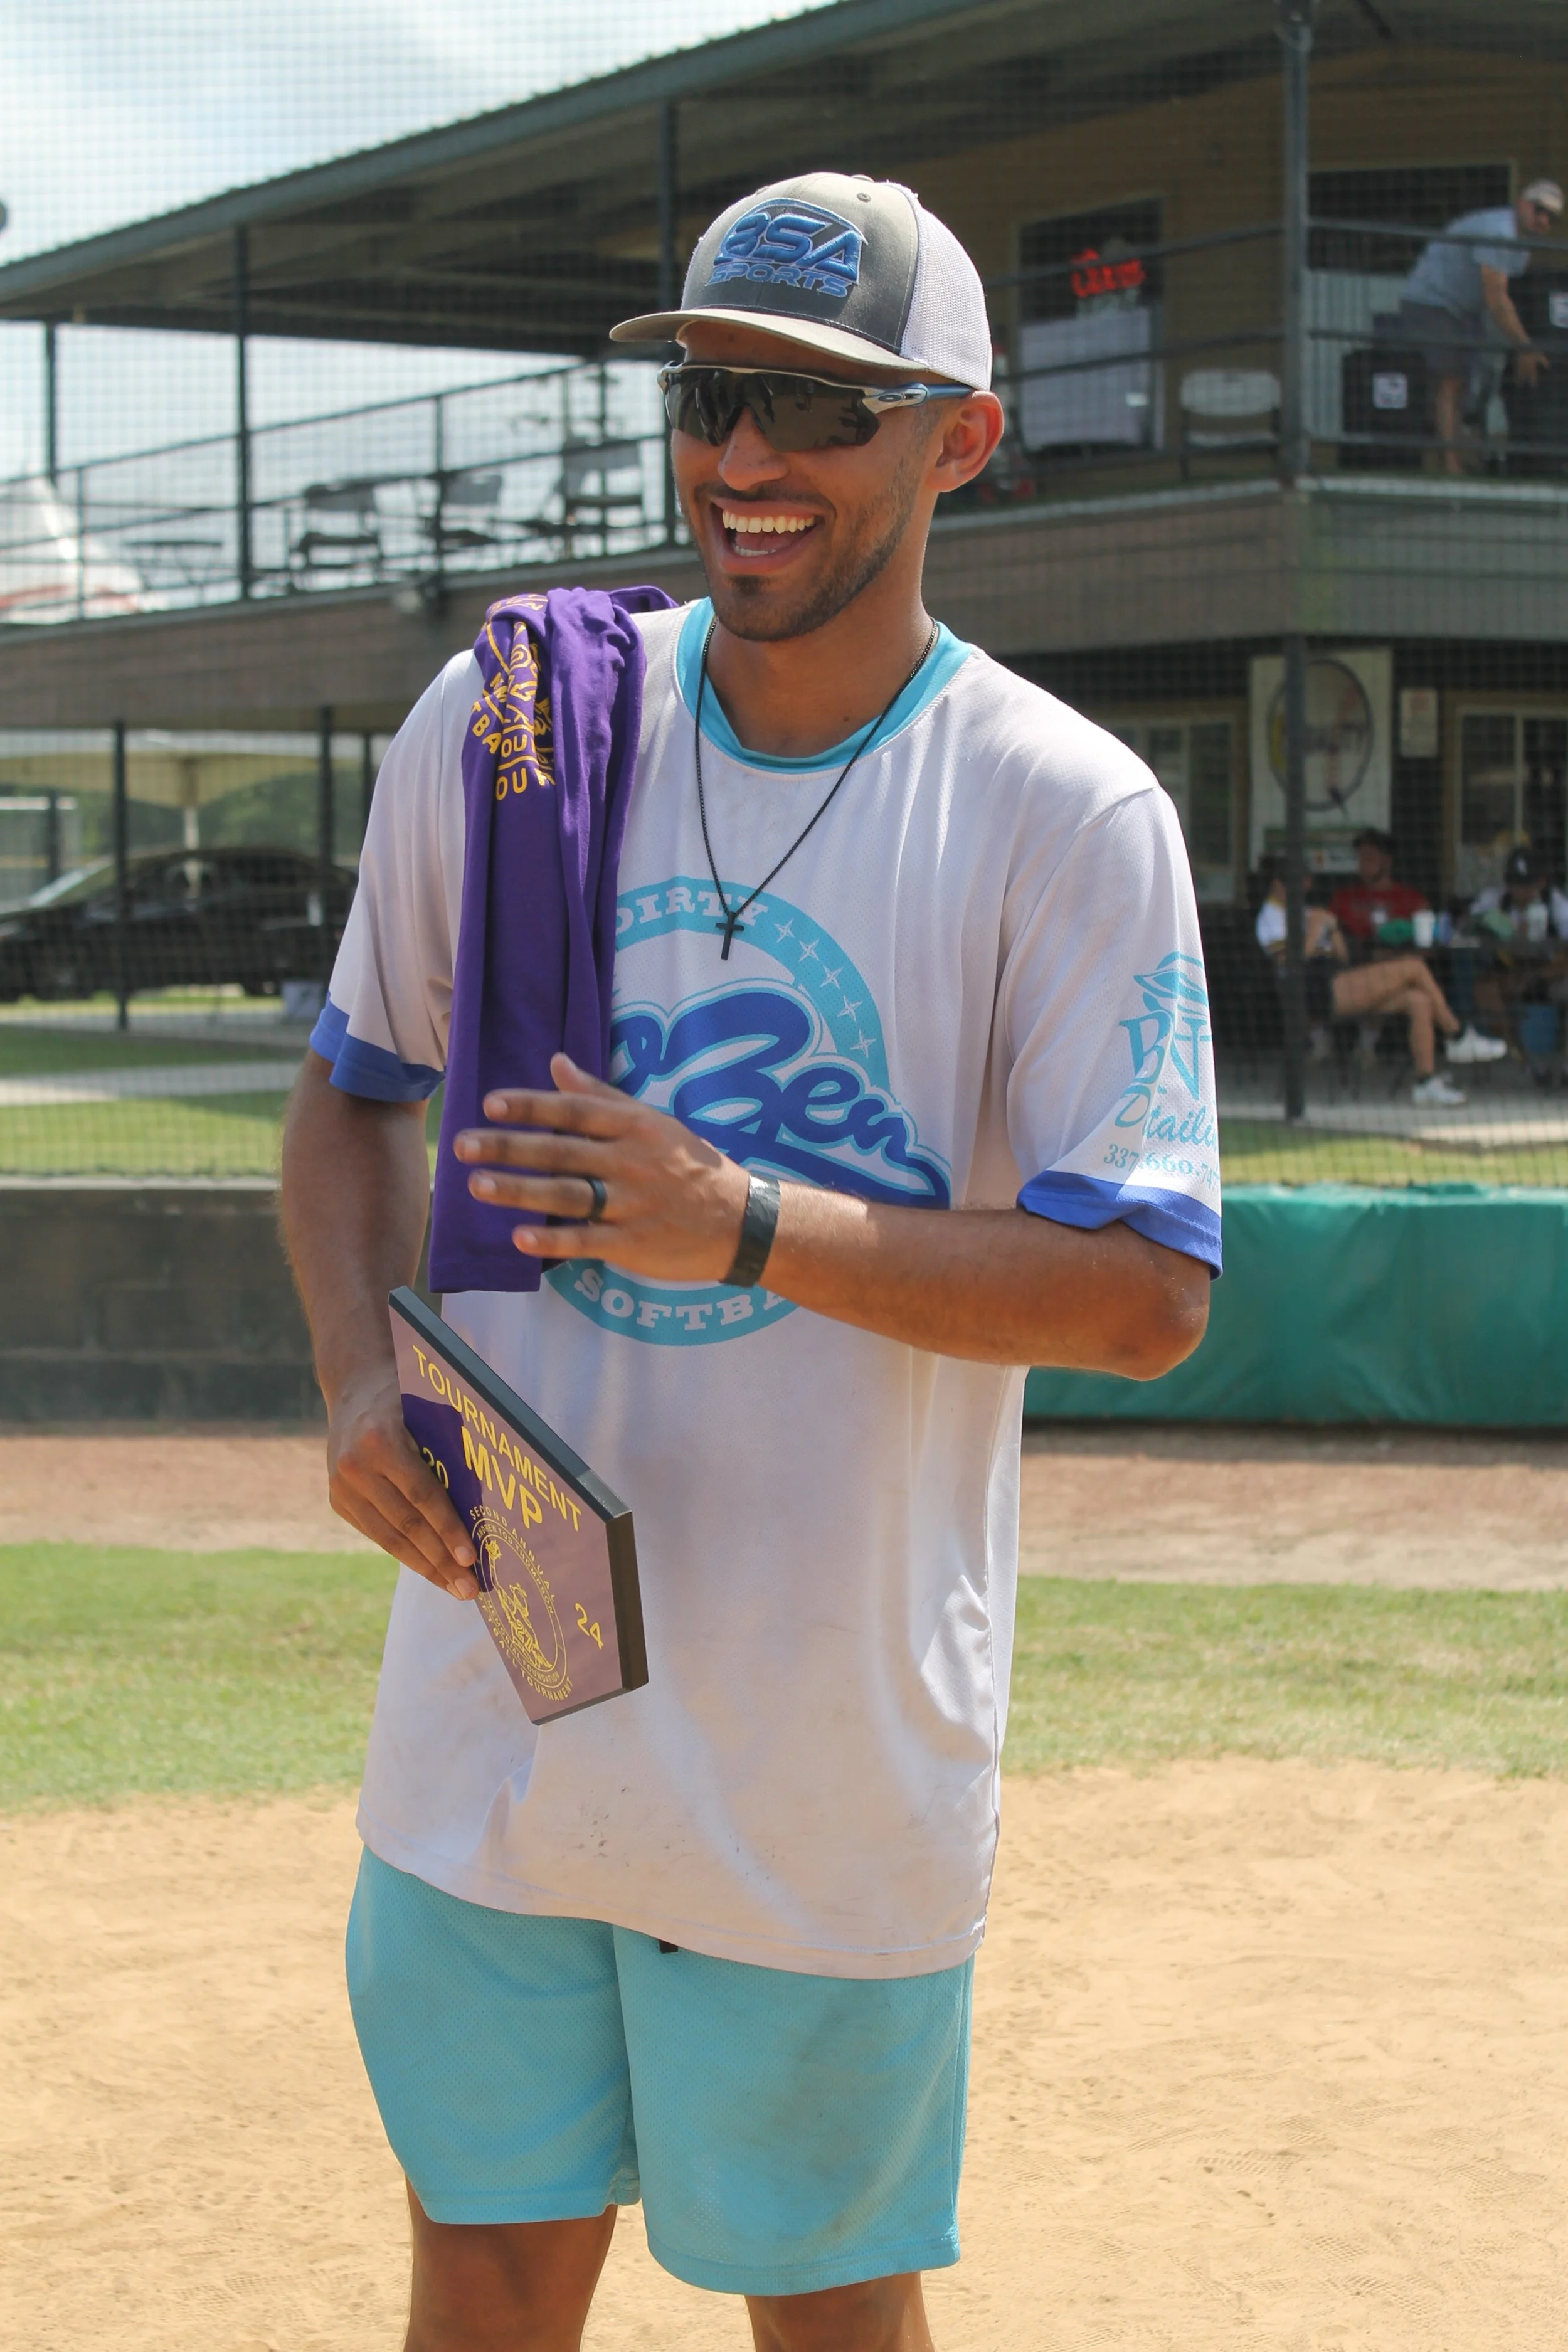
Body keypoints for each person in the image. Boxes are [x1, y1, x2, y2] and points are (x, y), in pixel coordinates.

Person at [282, 171, 1220, 2352]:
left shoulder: (1057, 811)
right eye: (714, 398)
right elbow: (350, 1091)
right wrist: (350, 1376)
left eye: (817, 411)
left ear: (959, 440)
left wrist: (751, 1223)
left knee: (823, 2313)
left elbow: (1147, 1289)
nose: (743, 463)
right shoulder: (516, 729)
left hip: (817, 1750)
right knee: (488, 2279)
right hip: (503, 1692)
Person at [1255, 864, 1501, 1104]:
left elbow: (1342, 957)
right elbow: (1293, 965)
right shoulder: (1270, 917)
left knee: (1419, 1000)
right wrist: (1315, 928)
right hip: (1313, 991)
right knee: (1414, 967)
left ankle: (1425, 1083)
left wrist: (1332, 929)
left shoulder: (1304, 911)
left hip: (1339, 978)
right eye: (1299, 881)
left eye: (1307, 881)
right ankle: (1457, 1036)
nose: (1305, 887)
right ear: (1278, 883)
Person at [1398, 180, 1562, 475]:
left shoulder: (1521, 248)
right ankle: (1451, 466)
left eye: (1552, 217)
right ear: (1523, 204)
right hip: (1432, 302)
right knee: (1451, 380)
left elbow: (1501, 302)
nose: (1544, 221)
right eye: (1540, 211)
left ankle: (1455, 456)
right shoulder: (1499, 232)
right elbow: (1497, 297)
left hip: (1465, 311)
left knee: (1468, 383)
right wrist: (1525, 347)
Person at [1470, 845, 1568, 1056]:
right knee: (1483, 988)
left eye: (1526, 885)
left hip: (1548, 973)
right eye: (1515, 884)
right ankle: (1513, 1050)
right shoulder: (1496, 900)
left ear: (1541, 881)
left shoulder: (1557, 903)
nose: (1520, 891)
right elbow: (1468, 923)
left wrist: (1539, 973)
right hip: (1510, 972)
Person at [1328, 827, 1428, 950]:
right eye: (1360, 858)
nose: (1363, 864)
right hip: (1353, 964)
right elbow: (1327, 937)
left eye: (1369, 858)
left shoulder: (1413, 900)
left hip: (1396, 963)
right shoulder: (1343, 897)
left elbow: (1427, 948)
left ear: (1388, 861)